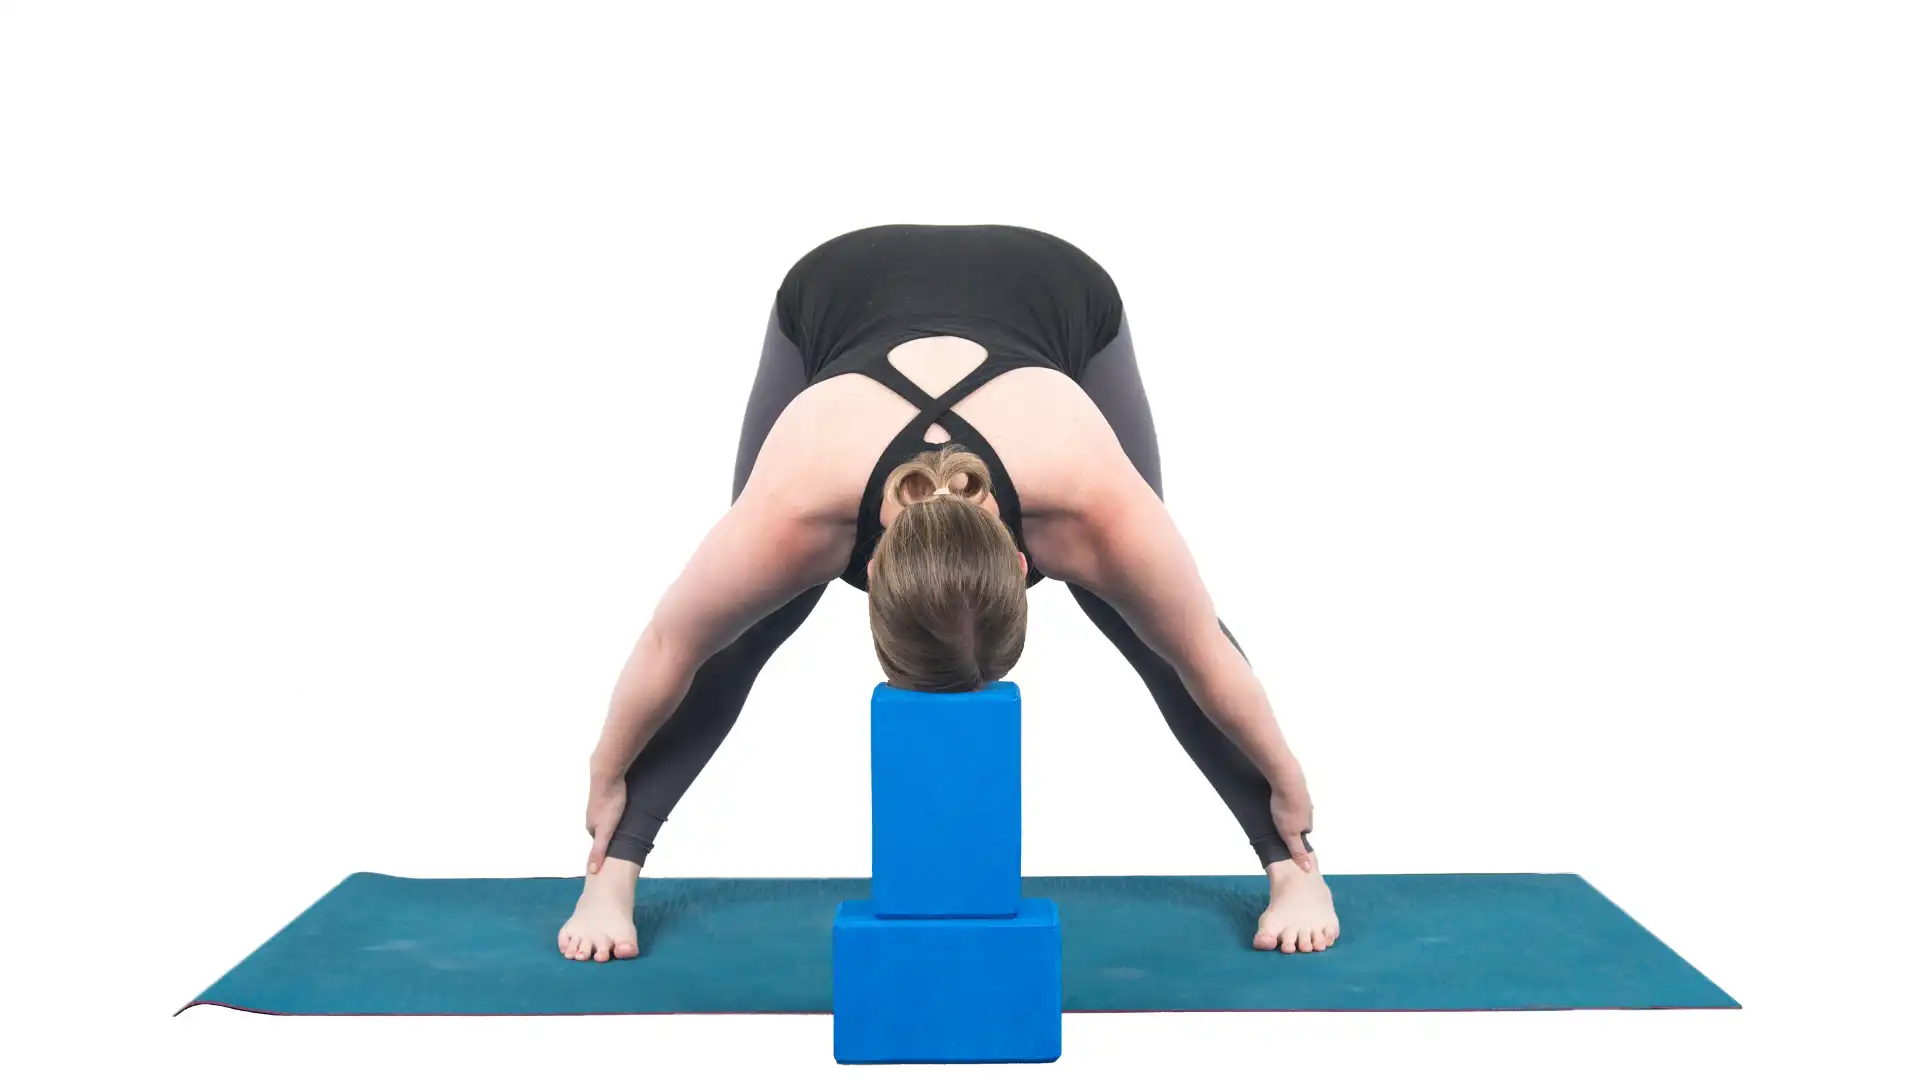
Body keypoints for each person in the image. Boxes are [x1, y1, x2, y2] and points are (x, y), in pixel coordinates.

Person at [557, 224, 1340, 962]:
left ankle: (1295, 869)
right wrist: (606, 765)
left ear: (1031, 560)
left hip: (1056, 294)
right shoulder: (796, 511)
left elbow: (1201, 644)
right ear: (864, 576)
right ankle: (611, 875)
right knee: (739, 626)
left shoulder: (1091, 503)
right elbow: (673, 640)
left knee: (1153, 622)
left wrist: (1288, 780)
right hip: (836, 293)